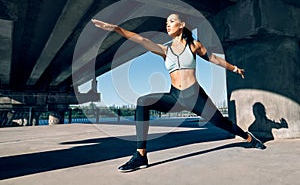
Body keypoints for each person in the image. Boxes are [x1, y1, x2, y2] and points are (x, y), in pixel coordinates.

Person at [91, 14, 266, 173]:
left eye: (172, 21)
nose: (168, 25)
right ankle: (140, 155)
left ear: (182, 25)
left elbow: (213, 58)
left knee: (221, 122)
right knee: (142, 101)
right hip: (175, 97)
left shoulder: (193, 45)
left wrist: (234, 68)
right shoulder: (165, 50)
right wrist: (116, 29)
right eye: (166, 23)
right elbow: (141, 39)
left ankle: (249, 138)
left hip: (195, 96)